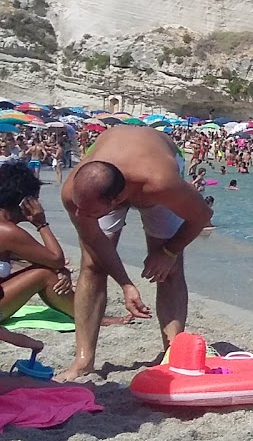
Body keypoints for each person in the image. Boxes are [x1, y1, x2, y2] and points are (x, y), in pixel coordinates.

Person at [57, 126, 215, 380]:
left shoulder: (161, 183)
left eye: (89, 212)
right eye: (78, 208)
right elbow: (95, 242)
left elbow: (202, 216)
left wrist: (169, 251)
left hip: (155, 161)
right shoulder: (74, 196)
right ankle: (83, 359)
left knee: (169, 270)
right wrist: (126, 284)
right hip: (108, 167)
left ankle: (172, 352)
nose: (79, 216)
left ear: (116, 201)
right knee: (92, 265)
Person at [0, 161, 92, 333]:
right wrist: (41, 223)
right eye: (35, 199)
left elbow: (33, 260)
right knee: (45, 275)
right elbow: (55, 259)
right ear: (24, 201)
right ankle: (92, 319)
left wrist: (58, 268)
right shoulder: (6, 231)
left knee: (45, 269)